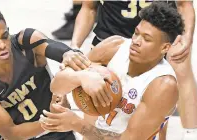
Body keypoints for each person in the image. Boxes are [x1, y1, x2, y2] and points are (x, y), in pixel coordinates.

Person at [40, 2, 184, 140]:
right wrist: (80, 77)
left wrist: (75, 123)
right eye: (136, 33)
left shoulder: (163, 85)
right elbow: (56, 85)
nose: (136, 41)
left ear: (165, 48)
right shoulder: (114, 47)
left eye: (146, 39)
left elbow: (129, 139)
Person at [0, 7, 91, 140]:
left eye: (4, 36)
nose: (1, 45)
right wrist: (52, 120)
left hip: (58, 134)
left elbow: (58, 50)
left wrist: (68, 54)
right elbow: (11, 133)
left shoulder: (27, 43)